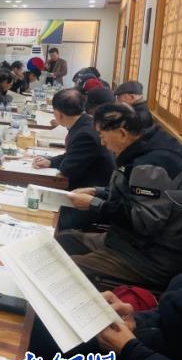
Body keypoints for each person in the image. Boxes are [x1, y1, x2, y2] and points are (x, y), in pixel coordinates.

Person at [57, 103, 182, 291]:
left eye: (102, 135)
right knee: (62, 240)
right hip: (127, 241)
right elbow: (130, 195)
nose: (102, 143)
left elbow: (144, 222)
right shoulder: (147, 146)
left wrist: (96, 204)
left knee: (63, 270)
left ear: (122, 134)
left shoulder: (151, 165)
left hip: (150, 257)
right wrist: (97, 192)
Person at [24, 277, 182, 360]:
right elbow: (172, 310)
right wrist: (133, 319)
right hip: (148, 341)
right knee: (47, 322)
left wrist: (131, 349)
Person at [32, 89, 114, 230]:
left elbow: (68, 169)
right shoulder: (86, 122)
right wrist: (51, 161)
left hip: (92, 196)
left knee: (46, 215)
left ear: (58, 114)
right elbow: (72, 155)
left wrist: (59, 162)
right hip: (88, 188)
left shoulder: (84, 133)